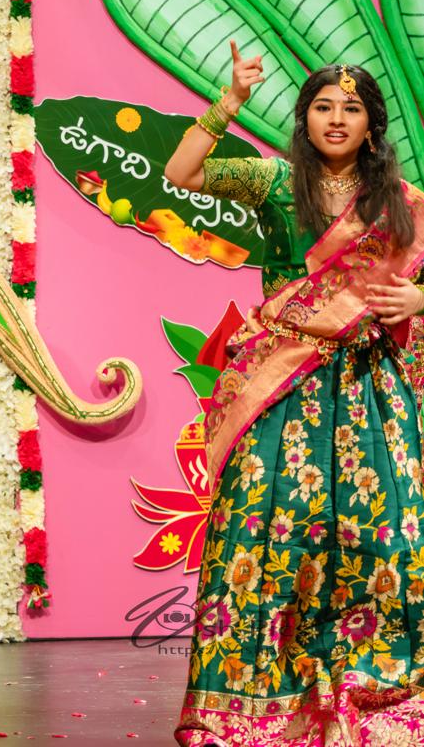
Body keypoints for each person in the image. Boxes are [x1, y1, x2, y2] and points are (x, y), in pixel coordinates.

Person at [166, 43, 424, 745]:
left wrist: (418, 298)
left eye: (351, 109)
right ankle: (257, 692)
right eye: (322, 107)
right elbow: (180, 172)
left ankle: (373, 672)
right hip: (282, 382)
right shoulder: (274, 181)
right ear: (304, 118)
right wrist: (229, 101)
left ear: (371, 124)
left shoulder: (401, 204)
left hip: (369, 388)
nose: (336, 119)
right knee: (264, 523)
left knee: (377, 530)